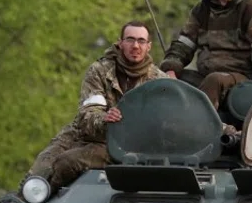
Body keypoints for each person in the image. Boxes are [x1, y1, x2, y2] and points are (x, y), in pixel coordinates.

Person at [26, 21, 166, 190]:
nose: (135, 46)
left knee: (67, 162)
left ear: (148, 46)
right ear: (120, 43)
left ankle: (50, 195)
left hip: (126, 146)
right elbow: (88, 113)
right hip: (85, 133)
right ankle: (28, 201)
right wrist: (105, 119)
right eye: (130, 40)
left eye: (141, 41)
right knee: (40, 170)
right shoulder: (100, 71)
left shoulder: (160, 82)